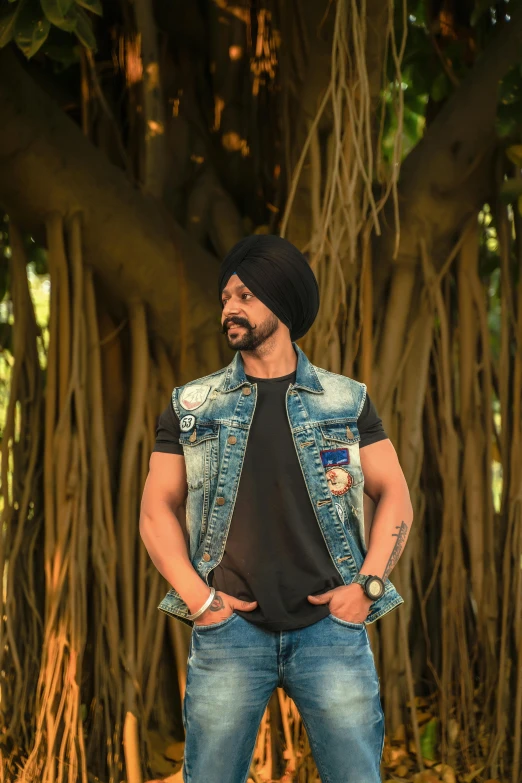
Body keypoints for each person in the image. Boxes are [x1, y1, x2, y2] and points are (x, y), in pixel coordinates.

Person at [140, 234, 413, 783]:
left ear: (281, 303)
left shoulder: (345, 400)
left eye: (244, 295)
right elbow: (155, 510)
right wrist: (201, 601)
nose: (230, 308)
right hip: (228, 632)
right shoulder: (192, 405)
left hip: (331, 631)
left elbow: (397, 497)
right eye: (224, 299)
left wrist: (368, 588)